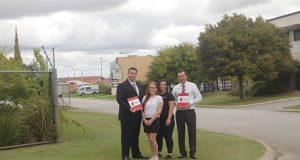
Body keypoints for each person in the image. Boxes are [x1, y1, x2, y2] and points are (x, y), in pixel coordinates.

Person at [116, 67, 148, 160]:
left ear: (136, 74)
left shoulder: (139, 85)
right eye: (131, 73)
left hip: (137, 116)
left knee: (135, 135)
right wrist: (129, 108)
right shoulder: (122, 86)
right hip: (126, 116)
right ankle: (125, 155)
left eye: (134, 73)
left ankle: (136, 154)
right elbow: (120, 100)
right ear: (128, 73)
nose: (132, 75)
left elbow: (141, 99)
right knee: (126, 136)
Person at [172, 70, 202, 159]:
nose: (181, 78)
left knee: (192, 132)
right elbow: (172, 100)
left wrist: (191, 102)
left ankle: (192, 153)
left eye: (182, 76)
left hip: (190, 112)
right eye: (179, 76)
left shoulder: (192, 85)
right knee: (180, 133)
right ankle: (182, 153)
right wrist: (176, 103)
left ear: (186, 76)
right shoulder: (175, 88)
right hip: (180, 113)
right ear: (178, 77)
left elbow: (199, 97)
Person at [141, 82, 163, 160]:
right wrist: (144, 119)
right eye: (150, 87)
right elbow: (142, 110)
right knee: (150, 140)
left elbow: (159, 111)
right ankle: (153, 156)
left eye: (153, 87)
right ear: (148, 88)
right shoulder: (144, 97)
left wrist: (151, 120)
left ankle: (156, 156)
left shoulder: (159, 98)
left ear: (156, 89)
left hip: (155, 120)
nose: (152, 89)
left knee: (152, 139)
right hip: (145, 120)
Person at [156, 79, 175, 159]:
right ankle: (159, 152)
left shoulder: (169, 95)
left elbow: (171, 107)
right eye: (160, 84)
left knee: (168, 136)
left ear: (166, 86)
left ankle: (169, 153)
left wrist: (169, 118)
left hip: (168, 118)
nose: (162, 86)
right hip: (158, 119)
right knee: (158, 136)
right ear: (158, 85)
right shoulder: (156, 94)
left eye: (163, 84)